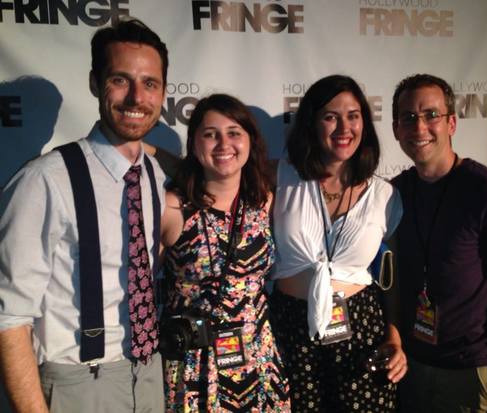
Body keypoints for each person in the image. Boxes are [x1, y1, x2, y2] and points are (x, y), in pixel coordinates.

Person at [0, 19, 168, 412]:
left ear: (162, 92)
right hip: (78, 384)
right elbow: (8, 316)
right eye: (120, 80)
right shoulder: (44, 180)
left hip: (150, 375)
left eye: (150, 83)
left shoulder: (156, 176)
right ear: (95, 83)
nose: (136, 97)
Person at [391, 73, 487, 413]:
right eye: (409, 117)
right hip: (412, 370)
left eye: (431, 115)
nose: (420, 127)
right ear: (396, 129)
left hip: (475, 376)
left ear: (451, 123)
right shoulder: (394, 194)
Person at [268, 74, 407, 412]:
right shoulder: (280, 176)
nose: (344, 127)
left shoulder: (385, 195)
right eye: (331, 116)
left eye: (353, 116)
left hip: (361, 329)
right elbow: (207, 176)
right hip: (290, 328)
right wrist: (149, 150)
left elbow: (392, 278)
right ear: (312, 123)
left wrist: (394, 335)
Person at [160, 94, 291, 412]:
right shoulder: (173, 208)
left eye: (234, 133)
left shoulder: (264, 201)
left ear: (250, 140)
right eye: (210, 134)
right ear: (194, 144)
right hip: (195, 364)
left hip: (258, 358)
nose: (223, 144)